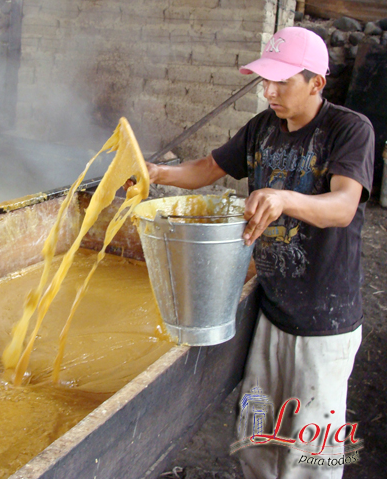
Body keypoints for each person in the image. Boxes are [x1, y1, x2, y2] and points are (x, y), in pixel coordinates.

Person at [141, 27, 374, 478]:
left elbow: (344, 206)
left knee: (311, 455)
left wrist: (285, 198)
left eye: (282, 82)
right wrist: (154, 172)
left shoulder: (348, 130)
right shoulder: (262, 128)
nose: (269, 92)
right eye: (266, 80)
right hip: (272, 309)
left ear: (316, 83)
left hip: (325, 321)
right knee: (258, 439)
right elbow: (208, 168)